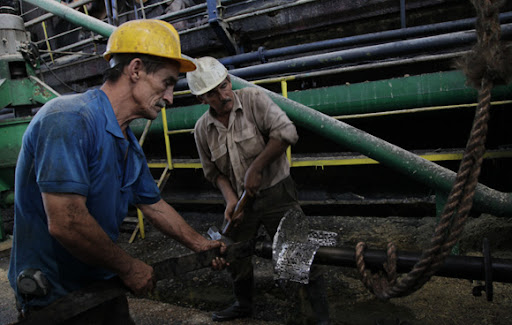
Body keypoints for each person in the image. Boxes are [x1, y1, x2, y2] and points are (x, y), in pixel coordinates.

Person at [8, 20, 226, 324]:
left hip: (101, 285)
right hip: (57, 300)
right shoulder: (69, 119)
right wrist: (129, 267)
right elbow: (66, 222)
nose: (169, 98)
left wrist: (201, 244)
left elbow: (154, 205)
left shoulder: (126, 144)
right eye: (167, 83)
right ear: (135, 69)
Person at [187, 56, 330, 324]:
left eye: (224, 85)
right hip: (242, 201)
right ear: (202, 99)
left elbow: (287, 133)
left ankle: (319, 315)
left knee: (299, 250)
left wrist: (257, 168)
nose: (223, 95)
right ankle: (243, 305)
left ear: (228, 80)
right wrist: (230, 199)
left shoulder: (254, 100)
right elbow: (214, 173)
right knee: (233, 253)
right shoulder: (202, 130)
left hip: (277, 192)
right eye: (213, 93)